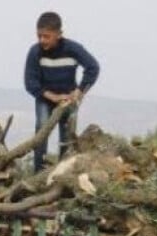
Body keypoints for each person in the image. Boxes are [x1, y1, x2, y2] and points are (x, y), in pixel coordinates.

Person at [23, 11, 100, 172]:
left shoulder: (73, 49)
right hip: (45, 99)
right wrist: (52, 97)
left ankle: (63, 172)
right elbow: (30, 82)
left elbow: (93, 67)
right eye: (39, 36)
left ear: (59, 34)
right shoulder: (35, 52)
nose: (42, 40)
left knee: (67, 137)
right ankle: (39, 172)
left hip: (68, 100)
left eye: (47, 36)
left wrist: (79, 91)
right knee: (41, 131)